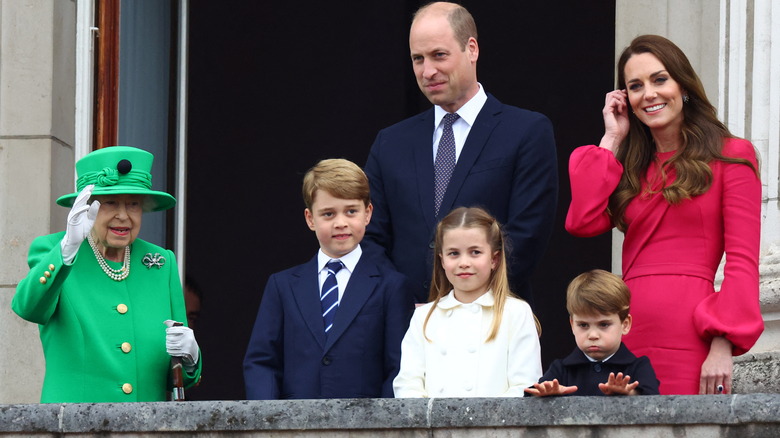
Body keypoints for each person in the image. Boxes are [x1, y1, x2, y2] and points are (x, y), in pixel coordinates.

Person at [565, 35, 763, 395]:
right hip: (627, 330)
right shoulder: (630, 166)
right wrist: (611, 139)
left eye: (660, 80)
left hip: (690, 334)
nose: (649, 94)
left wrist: (722, 344)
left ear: (683, 86)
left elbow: (742, 261)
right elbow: (582, 221)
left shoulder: (732, 155)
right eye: (635, 86)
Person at [364, 1, 557, 305]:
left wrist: (461, 302)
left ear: (472, 49)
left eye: (439, 55)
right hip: (408, 324)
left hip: (492, 320)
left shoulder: (526, 131)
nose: (428, 71)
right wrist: (403, 302)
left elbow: (526, 235)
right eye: (418, 59)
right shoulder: (390, 142)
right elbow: (371, 237)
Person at [12, 146, 202, 403]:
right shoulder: (56, 252)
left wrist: (191, 359)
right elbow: (28, 307)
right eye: (110, 203)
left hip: (146, 428)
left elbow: (177, 378)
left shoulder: (160, 263)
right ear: (86, 206)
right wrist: (67, 249)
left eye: (133, 204)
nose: (123, 216)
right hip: (72, 428)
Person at [243, 159, 415, 399]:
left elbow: (398, 368)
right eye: (328, 213)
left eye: (351, 211)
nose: (341, 222)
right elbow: (262, 362)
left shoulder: (392, 286)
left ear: (368, 214)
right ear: (310, 218)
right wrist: (269, 424)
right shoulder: (282, 286)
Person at [393, 207, 542, 397]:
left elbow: (525, 385)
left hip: (497, 426)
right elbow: (407, 385)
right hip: (434, 426)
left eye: (475, 252)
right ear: (442, 260)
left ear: (494, 259)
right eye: (454, 253)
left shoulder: (515, 312)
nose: (464, 262)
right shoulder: (423, 317)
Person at [525, 270, 659, 397]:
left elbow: (657, 406)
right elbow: (528, 403)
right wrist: (546, 395)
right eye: (583, 325)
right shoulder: (561, 369)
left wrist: (630, 394)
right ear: (572, 325)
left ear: (625, 324)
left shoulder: (638, 367)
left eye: (604, 325)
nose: (593, 335)